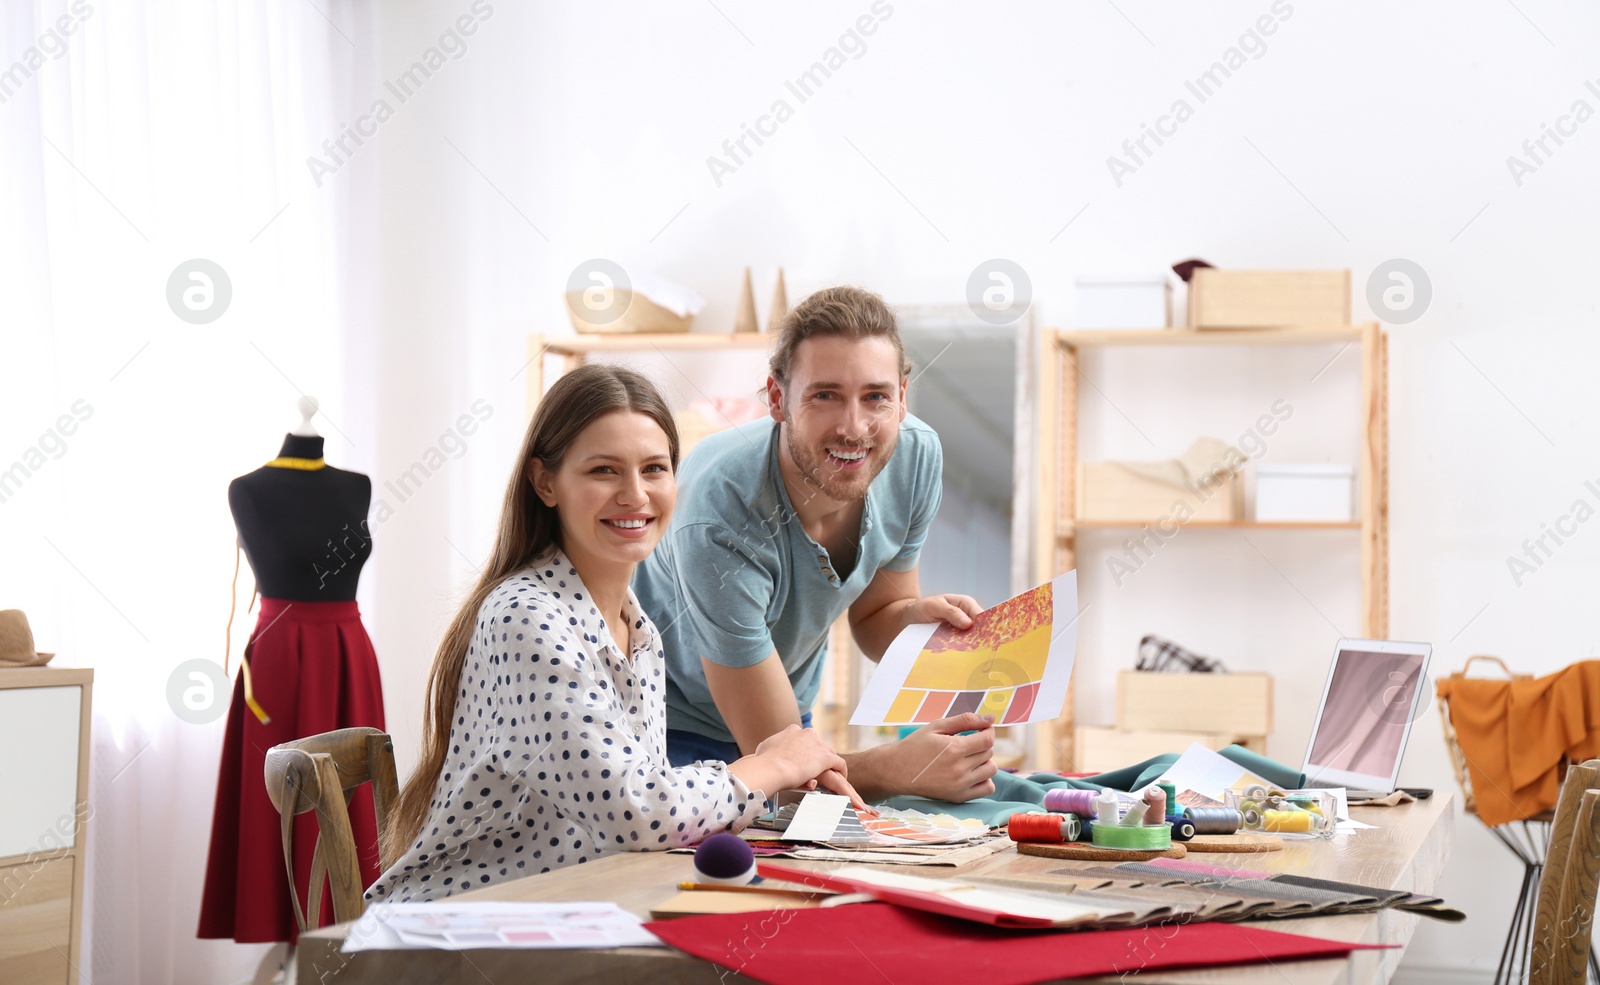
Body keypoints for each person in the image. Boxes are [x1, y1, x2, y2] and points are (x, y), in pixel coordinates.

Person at [371, 365, 855, 903]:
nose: (635, 495)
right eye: (605, 470)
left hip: (569, 912)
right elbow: (637, 812)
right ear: (545, 482)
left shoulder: (637, 626)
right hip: (460, 933)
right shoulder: (525, 616)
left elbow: (638, 820)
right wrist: (773, 763)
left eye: (654, 469)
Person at [634, 286, 999, 804]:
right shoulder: (722, 510)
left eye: (876, 396)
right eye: (825, 395)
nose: (854, 428)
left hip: (785, 712)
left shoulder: (914, 458)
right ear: (778, 399)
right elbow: (786, 774)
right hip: (670, 731)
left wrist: (918, 620)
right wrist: (897, 768)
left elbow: (874, 619)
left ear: (901, 396)